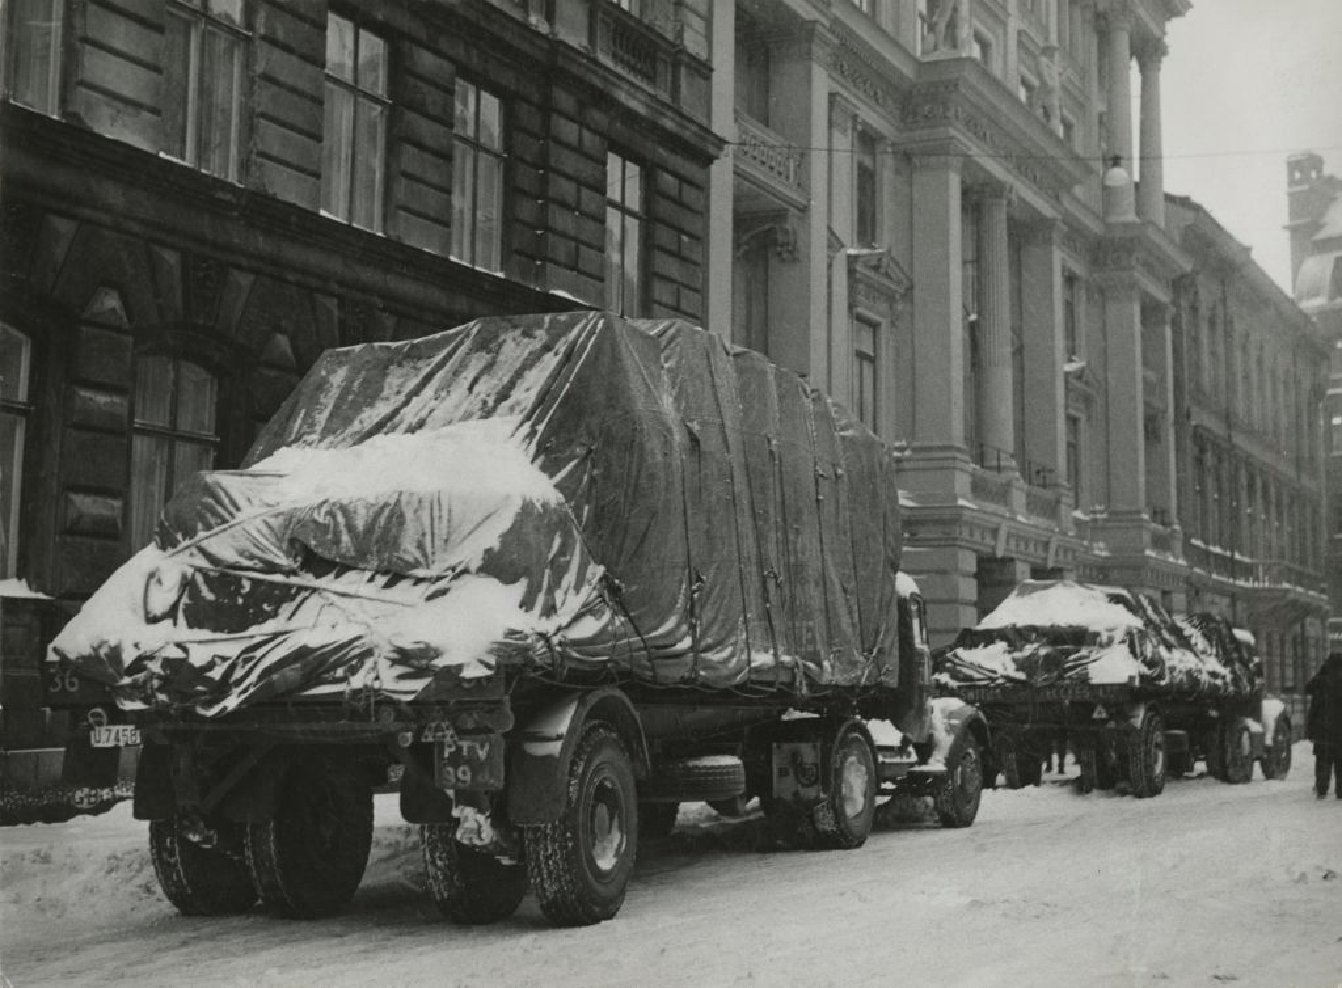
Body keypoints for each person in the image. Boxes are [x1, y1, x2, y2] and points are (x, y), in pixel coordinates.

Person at [1305, 652, 1342, 798]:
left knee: (1323, 760)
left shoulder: (1321, 680)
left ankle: (1321, 788)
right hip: (1341, 731)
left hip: (1323, 729)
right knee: (1341, 762)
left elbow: (1307, 688)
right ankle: (1341, 790)